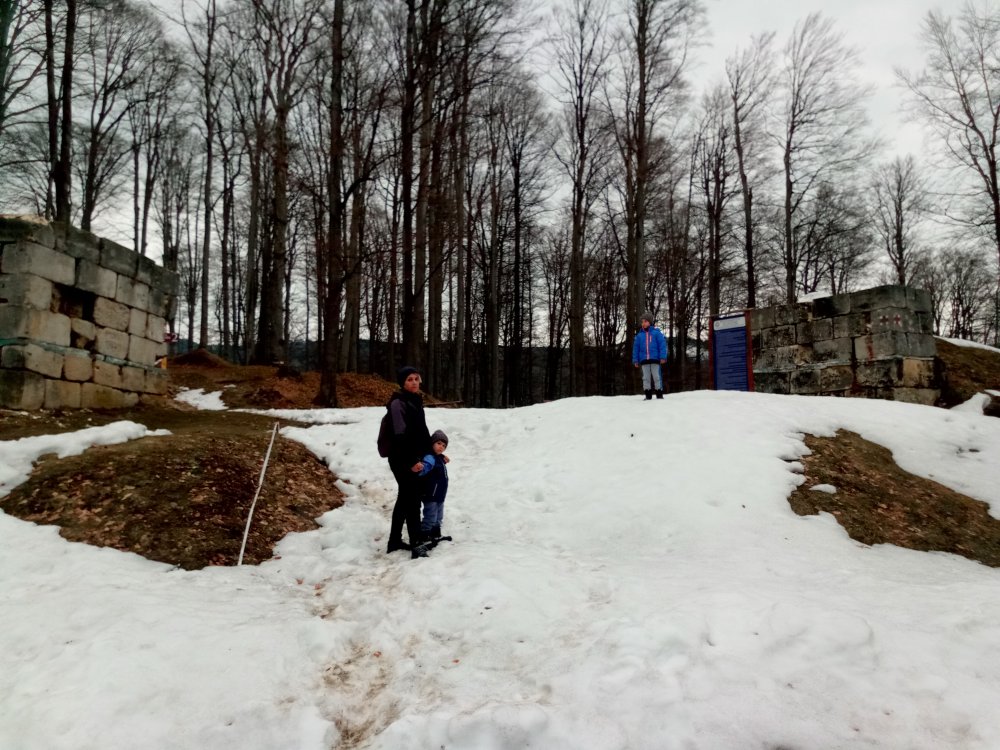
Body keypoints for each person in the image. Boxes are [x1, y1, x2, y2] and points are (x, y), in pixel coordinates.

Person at [385, 365, 433, 558]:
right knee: (412, 499)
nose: (414, 382)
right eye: (409, 380)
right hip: (401, 458)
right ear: (402, 383)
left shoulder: (416, 400)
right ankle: (416, 543)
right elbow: (400, 436)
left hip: (413, 457)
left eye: (416, 378)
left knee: (404, 498)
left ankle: (394, 540)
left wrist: (433, 454)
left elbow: (422, 432)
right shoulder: (398, 403)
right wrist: (411, 461)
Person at [418, 430, 450, 544]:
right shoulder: (430, 457)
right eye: (439, 443)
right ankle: (424, 535)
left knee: (439, 516)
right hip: (431, 494)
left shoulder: (439, 457)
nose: (441, 447)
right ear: (432, 443)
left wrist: (442, 457)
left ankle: (435, 534)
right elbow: (424, 468)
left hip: (439, 494)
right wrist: (421, 468)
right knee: (430, 516)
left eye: (444, 445)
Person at [632, 311, 667, 400]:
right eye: (642, 322)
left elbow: (662, 345)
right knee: (646, 378)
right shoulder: (639, 336)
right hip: (644, 360)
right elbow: (636, 349)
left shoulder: (657, 333)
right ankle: (648, 395)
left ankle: (659, 394)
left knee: (656, 377)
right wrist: (635, 360)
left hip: (655, 359)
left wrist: (663, 357)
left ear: (649, 322)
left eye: (645, 321)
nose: (643, 323)